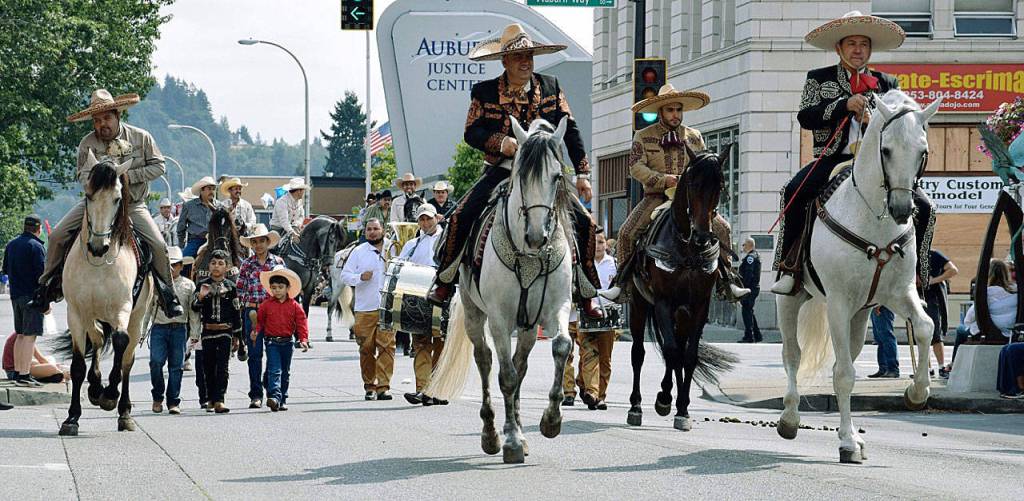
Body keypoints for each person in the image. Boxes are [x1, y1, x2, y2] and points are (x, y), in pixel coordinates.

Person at [426, 23, 604, 320]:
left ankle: (587, 293)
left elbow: (570, 129)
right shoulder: (484, 91)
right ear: (504, 61)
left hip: (544, 171)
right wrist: (501, 143)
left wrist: (582, 174)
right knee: (460, 215)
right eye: (519, 57)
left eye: (529, 56)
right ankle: (445, 280)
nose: (526, 62)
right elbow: (472, 131)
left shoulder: (551, 86)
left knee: (585, 222)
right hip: (503, 169)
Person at [771, 11, 934, 296]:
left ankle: (918, 274)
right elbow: (805, 117)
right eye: (852, 44)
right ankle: (789, 266)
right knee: (793, 190)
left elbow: (901, 124)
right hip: (833, 158)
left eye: (864, 44)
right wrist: (843, 105)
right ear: (839, 48)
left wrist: (874, 121)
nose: (858, 50)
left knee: (926, 206)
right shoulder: (818, 78)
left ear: (870, 49)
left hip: (878, 162)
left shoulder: (888, 82)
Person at [29, 89, 183, 318]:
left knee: (159, 244)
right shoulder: (87, 143)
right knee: (57, 235)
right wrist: (101, 185)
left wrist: (128, 177)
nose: (102, 124)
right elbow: (82, 175)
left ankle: (168, 294)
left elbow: (159, 166)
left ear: (117, 115)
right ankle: (46, 287)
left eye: (106, 118)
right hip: (97, 204)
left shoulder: (141, 137)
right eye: (97, 120)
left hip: (133, 204)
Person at [600, 84, 749, 304]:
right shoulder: (643, 136)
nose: (675, 114)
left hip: (691, 200)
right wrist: (664, 179)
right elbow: (635, 167)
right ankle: (622, 285)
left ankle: (727, 281)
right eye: (670, 110)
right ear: (660, 111)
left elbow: (704, 167)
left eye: (678, 110)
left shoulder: (694, 136)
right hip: (656, 197)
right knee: (626, 233)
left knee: (723, 228)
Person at [397, 204, 448, 406]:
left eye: (429, 219)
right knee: (421, 344)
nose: (426, 223)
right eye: (422, 219)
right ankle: (422, 389)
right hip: (418, 301)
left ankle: (437, 390)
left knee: (441, 346)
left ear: (436, 218)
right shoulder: (412, 244)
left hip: (443, 297)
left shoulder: (447, 240)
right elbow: (400, 267)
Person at [340, 219, 396, 401]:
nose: (372, 232)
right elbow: (344, 275)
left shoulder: (394, 248)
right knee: (366, 349)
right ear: (365, 232)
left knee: (387, 348)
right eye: (369, 229)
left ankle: (383, 387)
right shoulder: (358, 251)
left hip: (387, 307)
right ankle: (370, 386)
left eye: (376, 229)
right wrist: (359, 277)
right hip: (365, 309)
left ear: (383, 230)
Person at [563, 228, 619, 410]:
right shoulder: (581, 265)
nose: (598, 246)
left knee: (605, 359)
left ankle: (596, 392)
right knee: (586, 353)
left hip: (608, 317)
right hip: (584, 315)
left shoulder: (614, 264)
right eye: (594, 243)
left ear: (606, 244)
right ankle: (588, 393)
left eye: (601, 242)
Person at [235, 225, 285, 409]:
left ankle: (272, 391)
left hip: (274, 313)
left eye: (261, 241)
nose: (258, 245)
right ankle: (255, 394)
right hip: (253, 312)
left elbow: (286, 288)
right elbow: (240, 289)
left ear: (268, 242)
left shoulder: (277, 262)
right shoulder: (247, 264)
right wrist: (244, 306)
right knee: (255, 355)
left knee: (274, 353)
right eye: (254, 242)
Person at [190, 249, 242, 414]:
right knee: (208, 366)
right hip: (208, 331)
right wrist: (201, 297)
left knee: (222, 367)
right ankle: (210, 399)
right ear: (209, 266)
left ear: (226, 267)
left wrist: (237, 336)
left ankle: (220, 399)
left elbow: (236, 312)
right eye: (213, 263)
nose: (216, 266)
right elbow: (194, 307)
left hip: (225, 332)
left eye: (220, 263)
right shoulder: (202, 285)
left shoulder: (231, 287)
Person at [149, 246, 198, 415]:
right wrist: (141, 331)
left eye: (175, 265)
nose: (171, 268)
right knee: (156, 362)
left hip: (179, 328)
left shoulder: (189, 285)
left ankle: (173, 401)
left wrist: (195, 333)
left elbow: (193, 311)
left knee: (176, 366)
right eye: (168, 265)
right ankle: (157, 396)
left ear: (181, 266)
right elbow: (148, 308)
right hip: (159, 327)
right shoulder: (156, 283)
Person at [253, 266, 309, 411]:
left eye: (280, 287)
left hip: (288, 343)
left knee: (285, 372)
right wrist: (256, 332)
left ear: (287, 288)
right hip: (272, 342)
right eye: (274, 288)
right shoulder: (266, 305)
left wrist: (303, 339)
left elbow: (302, 323)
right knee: (275, 370)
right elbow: (260, 322)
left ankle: (283, 398)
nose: (277, 290)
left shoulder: (295, 306)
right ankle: (274, 397)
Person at [3, 215, 47, 387]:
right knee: (30, 337)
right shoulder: (36, 246)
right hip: (32, 297)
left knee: (20, 335)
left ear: (24, 227)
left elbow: (5, 269)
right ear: (38, 228)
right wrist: (45, 301)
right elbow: (42, 277)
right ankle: (25, 374)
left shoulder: (11, 244)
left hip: (15, 295)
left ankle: (18, 373)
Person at [924, 249, 957, 377]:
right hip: (917, 297)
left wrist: (934, 280)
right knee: (920, 335)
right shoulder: (911, 255)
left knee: (935, 334)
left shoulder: (933, 255)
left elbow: (953, 270)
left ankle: (941, 366)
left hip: (933, 298)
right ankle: (926, 368)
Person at [178, 177, 218, 273]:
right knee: (182, 262)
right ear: (202, 191)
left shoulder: (219, 206)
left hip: (215, 241)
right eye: (209, 189)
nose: (212, 191)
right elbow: (181, 227)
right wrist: (181, 245)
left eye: (213, 189)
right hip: (196, 240)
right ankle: (182, 280)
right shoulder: (189, 206)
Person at [269, 177, 308, 244]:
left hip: (294, 228)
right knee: (273, 246)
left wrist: (296, 225)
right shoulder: (282, 202)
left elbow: (301, 216)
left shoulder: (299, 201)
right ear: (299, 191)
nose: (304, 192)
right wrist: (292, 232)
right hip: (278, 230)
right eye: (303, 190)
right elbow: (284, 221)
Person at [738, 237, 762, 343]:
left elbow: (748, 274)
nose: (742, 246)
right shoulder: (755, 255)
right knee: (749, 310)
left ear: (749, 245)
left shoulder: (750, 258)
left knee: (746, 311)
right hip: (753, 288)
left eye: (744, 244)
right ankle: (757, 335)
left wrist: (744, 288)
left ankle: (749, 336)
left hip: (749, 288)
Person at [867, 306, 899, 378]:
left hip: (883, 307)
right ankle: (883, 369)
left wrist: (878, 305)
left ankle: (892, 369)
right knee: (880, 340)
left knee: (887, 338)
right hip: (875, 306)